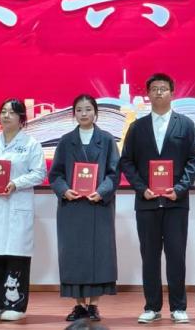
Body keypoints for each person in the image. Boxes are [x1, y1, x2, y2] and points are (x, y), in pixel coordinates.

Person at [119, 73, 195, 324]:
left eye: (163, 88)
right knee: (150, 257)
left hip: (176, 202)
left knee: (176, 256)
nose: (158, 93)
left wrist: (180, 188)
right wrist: (142, 188)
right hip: (147, 202)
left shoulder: (185, 124)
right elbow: (127, 161)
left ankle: (178, 307)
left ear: (172, 93)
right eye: (154, 89)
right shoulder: (137, 126)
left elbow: (193, 160)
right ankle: (152, 306)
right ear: (148, 94)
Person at [0, 98, 46, 322]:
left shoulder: (31, 144)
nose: (6, 116)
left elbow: (39, 173)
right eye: (3, 111)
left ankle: (15, 304)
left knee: (16, 255)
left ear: (21, 118)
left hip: (16, 205)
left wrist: (16, 183)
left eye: (12, 112)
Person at [49, 94, 121, 322]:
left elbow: (114, 174)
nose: (84, 114)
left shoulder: (107, 140)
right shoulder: (66, 141)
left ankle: (94, 306)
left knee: (99, 256)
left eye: (88, 109)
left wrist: (102, 191)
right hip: (72, 208)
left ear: (95, 112)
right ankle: (79, 305)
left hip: (98, 206)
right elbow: (55, 174)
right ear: (74, 114)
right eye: (79, 110)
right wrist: (64, 190)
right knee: (73, 256)